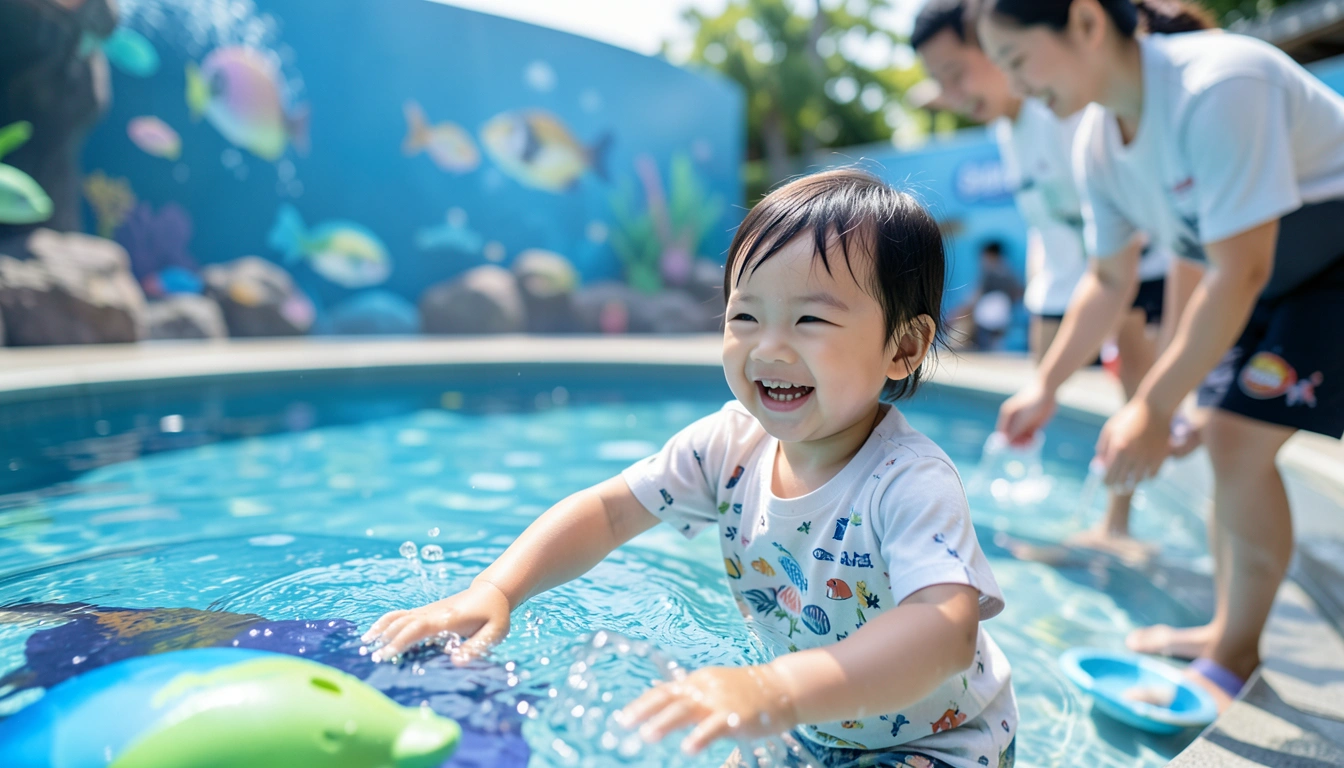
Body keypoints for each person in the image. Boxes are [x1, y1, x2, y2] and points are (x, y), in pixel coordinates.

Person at [364, 169, 1018, 768]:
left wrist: (777, 689)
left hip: (939, 743)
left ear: (903, 346)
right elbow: (608, 511)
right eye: (745, 315)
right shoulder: (728, 446)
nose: (769, 347)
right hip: (808, 722)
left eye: (810, 318)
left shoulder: (909, 484)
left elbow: (945, 633)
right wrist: (496, 590)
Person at [978, 0, 1344, 709]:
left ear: (1087, 23)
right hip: (1268, 279)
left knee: (1236, 441)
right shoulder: (1096, 142)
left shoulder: (1219, 86)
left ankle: (1234, 656)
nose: (1015, 87)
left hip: (1323, 267)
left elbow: (1237, 270)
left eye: (1017, 60)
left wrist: (1153, 404)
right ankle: (1225, 631)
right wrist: (1046, 387)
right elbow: (1109, 279)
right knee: (1227, 444)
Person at [912, 0, 1198, 560]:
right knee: (1038, 403)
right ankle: (1044, 522)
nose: (951, 93)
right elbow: (1046, 219)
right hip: (1070, 279)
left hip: (1125, 272)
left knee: (1136, 394)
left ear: (995, 47)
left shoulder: (1065, 109)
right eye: (939, 81)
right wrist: (1043, 284)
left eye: (956, 72)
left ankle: (1116, 523)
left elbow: (1121, 236)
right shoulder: (1008, 124)